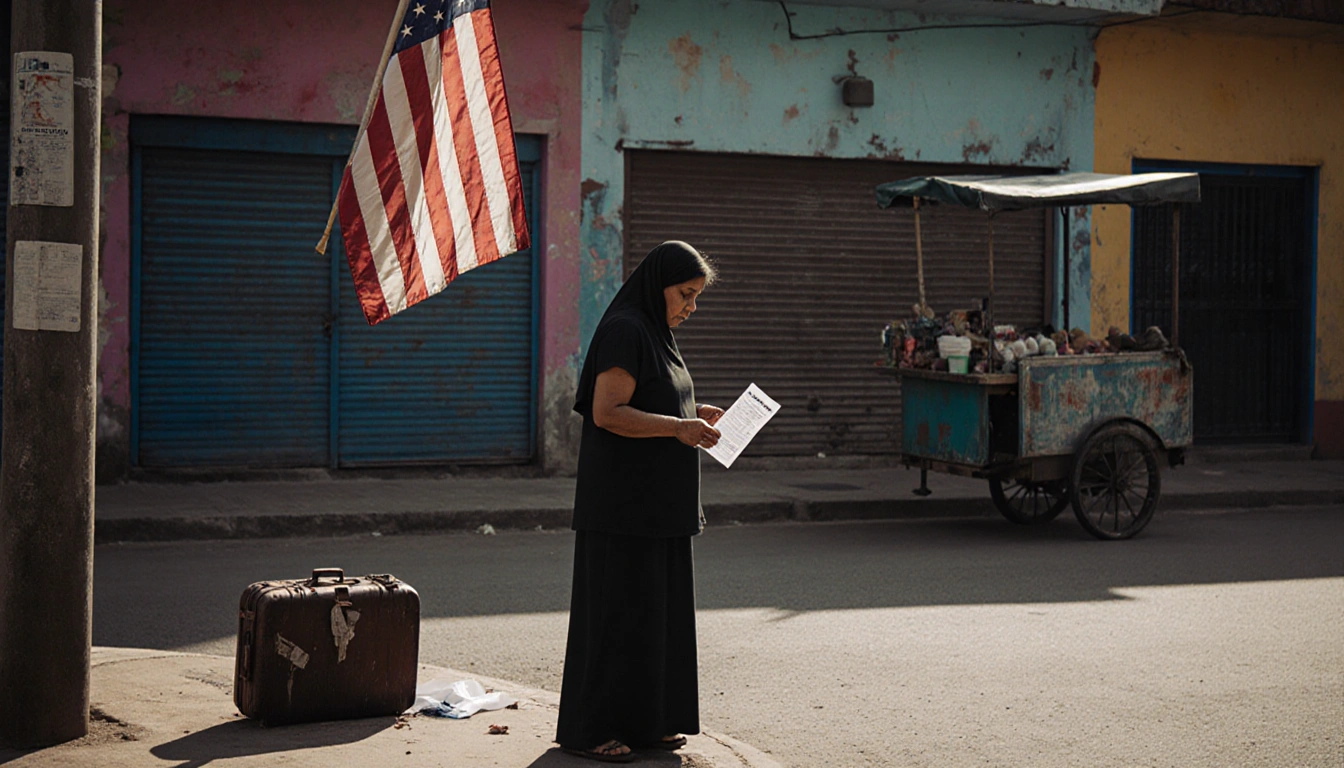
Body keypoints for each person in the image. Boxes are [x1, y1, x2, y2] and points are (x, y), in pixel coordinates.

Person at [555, 241, 723, 763]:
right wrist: (679, 426)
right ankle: (591, 729)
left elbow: (658, 398)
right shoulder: (627, 329)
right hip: (622, 511)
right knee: (615, 620)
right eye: (686, 294)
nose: (691, 307)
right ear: (658, 285)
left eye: (697, 297)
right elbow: (608, 412)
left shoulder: (658, 332)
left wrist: (695, 412)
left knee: (654, 619)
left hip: (659, 511)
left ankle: (647, 723)